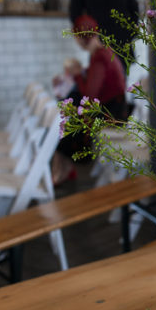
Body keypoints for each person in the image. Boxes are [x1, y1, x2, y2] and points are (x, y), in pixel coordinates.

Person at [52, 14, 128, 185]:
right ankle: (63, 171)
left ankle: (62, 172)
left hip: (110, 117)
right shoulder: (101, 53)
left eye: (76, 38)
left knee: (64, 131)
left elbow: (90, 96)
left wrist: (78, 74)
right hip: (113, 110)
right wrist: (78, 74)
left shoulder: (100, 57)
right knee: (65, 124)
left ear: (82, 38)